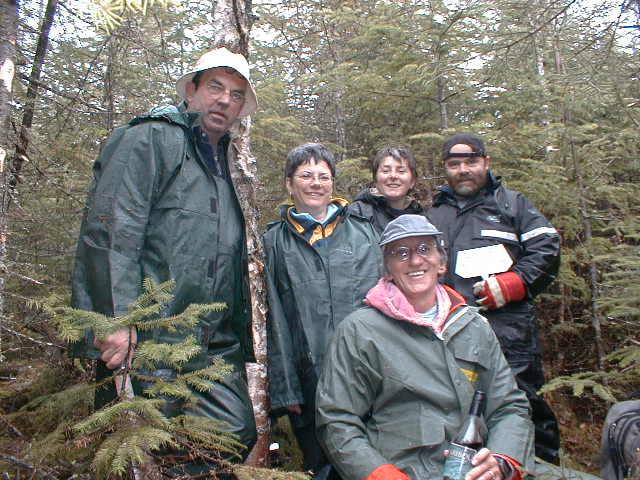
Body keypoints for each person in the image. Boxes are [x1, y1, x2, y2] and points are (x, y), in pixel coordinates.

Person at [70, 48, 259, 471]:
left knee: (234, 431)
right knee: (143, 448)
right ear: (191, 89)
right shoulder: (152, 137)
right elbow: (111, 230)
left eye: (235, 93)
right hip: (150, 336)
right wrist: (116, 320)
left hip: (212, 341)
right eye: (215, 87)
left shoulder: (225, 163)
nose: (224, 100)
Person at [316, 214, 535, 480]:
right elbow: (337, 420)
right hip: (405, 470)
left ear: (441, 263)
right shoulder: (360, 330)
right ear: (387, 269)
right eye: (401, 252)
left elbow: (509, 406)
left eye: (424, 249)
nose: (416, 260)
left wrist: (501, 460)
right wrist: (380, 475)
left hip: (476, 469)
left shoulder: (473, 325)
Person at [427, 133, 561, 464]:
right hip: (450, 336)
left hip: (509, 335)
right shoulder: (434, 215)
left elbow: (548, 247)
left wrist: (516, 282)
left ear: (486, 163)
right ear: (446, 169)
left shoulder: (511, 205)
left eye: (471, 162)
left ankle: (537, 469)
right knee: (459, 415)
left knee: (521, 409)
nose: (463, 170)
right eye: (454, 164)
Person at [264, 143, 383, 477]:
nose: (316, 183)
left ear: (333, 184)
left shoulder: (365, 233)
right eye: (306, 175)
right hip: (309, 381)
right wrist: (285, 387)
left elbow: (387, 304)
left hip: (369, 376)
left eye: (323, 176)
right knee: (323, 466)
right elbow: (272, 319)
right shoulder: (273, 243)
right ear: (289, 183)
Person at [349, 145, 425, 234]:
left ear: (412, 181)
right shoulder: (358, 213)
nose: (393, 176)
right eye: (386, 171)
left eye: (401, 171)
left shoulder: (422, 218)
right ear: (375, 179)